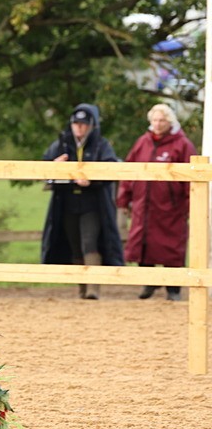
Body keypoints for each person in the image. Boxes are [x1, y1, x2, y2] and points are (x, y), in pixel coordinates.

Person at [41, 103, 125, 299]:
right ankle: (81, 287)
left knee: (90, 242)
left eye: (83, 124)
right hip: (67, 201)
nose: (79, 127)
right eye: (76, 123)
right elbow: (44, 166)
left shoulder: (101, 144)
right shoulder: (61, 143)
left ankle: (93, 288)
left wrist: (92, 179)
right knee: (75, 244)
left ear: (92, 125)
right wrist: (54, 166)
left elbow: (111, 168)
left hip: (93, 203)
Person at [116, 103, 195, 301]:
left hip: (171, 208)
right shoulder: (143, 142)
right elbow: (129, 169)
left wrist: (189, 204)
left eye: (162, 120)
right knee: (143, 245)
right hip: (144, 204)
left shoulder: (182, 144)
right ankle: (148, 283)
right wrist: (124, 196)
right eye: (155, 120)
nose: (158, 124)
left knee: (172, 249)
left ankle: (173, 289)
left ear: (170, 122)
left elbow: (190, 177)